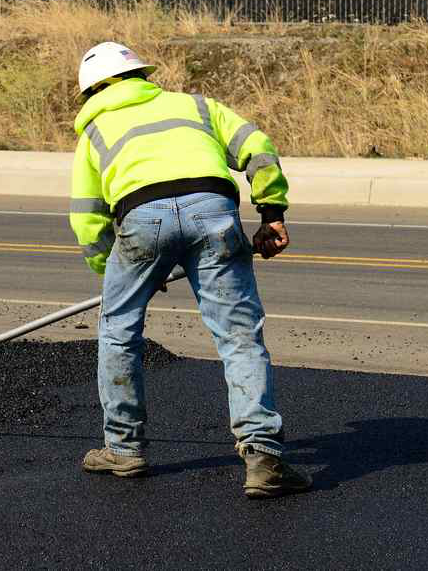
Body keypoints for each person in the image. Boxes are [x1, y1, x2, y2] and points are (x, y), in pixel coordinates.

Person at [69, 41, 312, 498]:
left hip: (141, 219)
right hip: (214, 211)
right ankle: (263, 457)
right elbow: (258, 149)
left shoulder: (95, 132)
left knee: (118, 330)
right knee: (239, 336)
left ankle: (123, 449)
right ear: (140, 75)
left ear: (93, 90)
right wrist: (271, 212)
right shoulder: (196, 106)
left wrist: (119, 271)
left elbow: (88, 217)